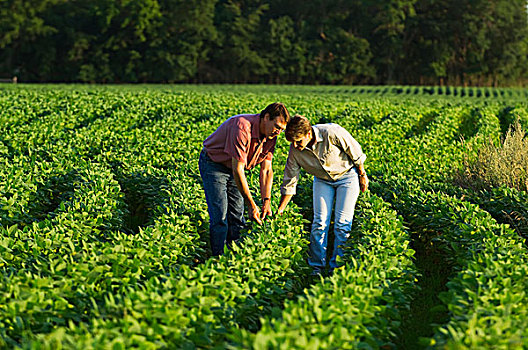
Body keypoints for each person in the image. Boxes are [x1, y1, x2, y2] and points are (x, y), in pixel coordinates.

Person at [277, 115, 369, 274]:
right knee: (319, 222)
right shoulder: (295, 151)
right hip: (322, 180)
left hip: (347, 176)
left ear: (308, 134)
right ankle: (316, 267)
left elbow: (355, 152)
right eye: (292, 142)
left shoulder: (331, 132)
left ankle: (337, 268)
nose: (295, 145)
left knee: (342, 224)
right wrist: (281, 209)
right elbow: (290, 180)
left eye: (298, 141)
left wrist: (362, 175)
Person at [199, 103, 290, 256]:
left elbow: (266, 170)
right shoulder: (242, 127)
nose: (279, 132)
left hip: (234, 168)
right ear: (266, 117)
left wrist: (266, 201)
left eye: (282, 129)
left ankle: (235, 257)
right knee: (220, 214)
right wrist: (251, 204)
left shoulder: (271, 136)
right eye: (277, 126)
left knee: (236, 214)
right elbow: (238, 170)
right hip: (214, 164)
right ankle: (217, 259)